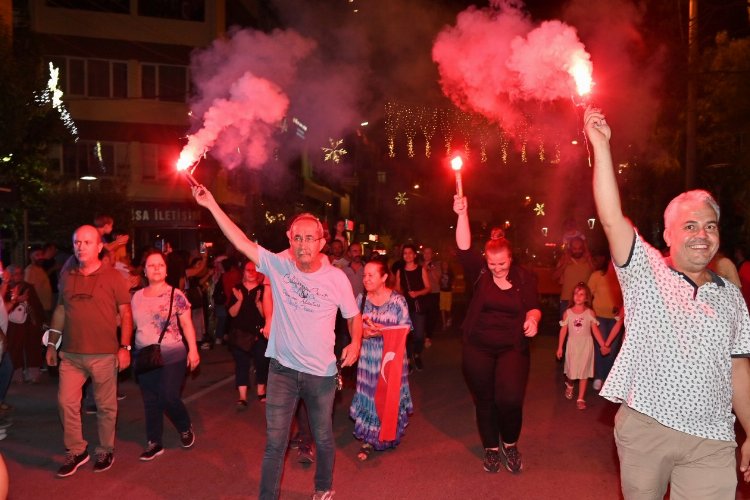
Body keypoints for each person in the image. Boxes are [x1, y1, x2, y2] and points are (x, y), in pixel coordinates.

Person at [585, 107, 750, 497]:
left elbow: (739, 370)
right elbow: (611, 219)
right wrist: (603, 147)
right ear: (669, 234)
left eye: (710, 226)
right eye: (690, 225)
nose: (702, 234)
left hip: (712, 439)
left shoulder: (731, 297)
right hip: (647, 428)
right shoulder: (646, 272)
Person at [191, 186, 362, 500]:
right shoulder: (279, 266)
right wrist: (211, 203)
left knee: (322, 437)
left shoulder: (337, 279)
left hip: (320, 375)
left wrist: (357, 343)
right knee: (275, 443)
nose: (302, 244)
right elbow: (240, 241)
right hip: (282, 370)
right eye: (297, 237)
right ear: (289, 238)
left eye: (310, 237)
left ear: (322, 242)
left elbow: (353, 316)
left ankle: (323, 487)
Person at [453, 195, 542, 475]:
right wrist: (462, 214)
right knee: (485, 400)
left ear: (510, 258)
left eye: (501, 264)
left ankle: (511, 444)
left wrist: (533, 318)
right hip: (478, 346)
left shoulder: (524, 277)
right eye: (492, 264)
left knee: (510, 399)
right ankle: (492, 449)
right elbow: (464, 248)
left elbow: (534, 307)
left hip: (512, 347)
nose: (497, 268)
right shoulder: (480, 273)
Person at [45, 225, 133, 477]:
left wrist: (125, 347)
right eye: (76, 242)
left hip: (104, 354)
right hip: (71, 355)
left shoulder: (114, 277)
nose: (80, 246)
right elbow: (61, 311)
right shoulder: (67, 277)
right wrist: (52, 343)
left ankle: (105, 449)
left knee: (106, 406)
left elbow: (126, 314)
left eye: (86, 242)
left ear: (99, 246)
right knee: (65, 402)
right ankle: (76, 450)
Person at [131, 250, 200, 460]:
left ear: (166, 270)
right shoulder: (136, 297)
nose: (156, 269)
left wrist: (194, 351)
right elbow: (132, 325)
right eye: (151, 265)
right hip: (145, 356)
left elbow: (187, 324)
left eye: (160, 265)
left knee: (168, 396)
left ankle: (184, 427)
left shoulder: (176, 294)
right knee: (151, 401)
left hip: (173, 354)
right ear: (144, 270)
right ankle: (154, 442)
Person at [349, 259, 413, 461]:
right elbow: (352, 325)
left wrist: (382, 332)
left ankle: (388, 434)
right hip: (368, 360)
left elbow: (406, 328)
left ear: (384, 277)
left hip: (391, 359)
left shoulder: (397, 301)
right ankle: (368, 440)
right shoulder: (361, 299)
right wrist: (363, 333)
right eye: (364, 275)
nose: (366, 279)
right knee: (370, 396)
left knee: (389, 395)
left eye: (371, 275)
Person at [556, 283, 609, 410]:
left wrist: (603, 345)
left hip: (586, 345)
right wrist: (560, 347)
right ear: (572, 296)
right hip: (573, 345)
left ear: (586, 298)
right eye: (576, 294)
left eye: (581, 294)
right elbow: (563, 330)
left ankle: (581, 398)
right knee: (571, 372)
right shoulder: (568, 313)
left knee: (584, 372)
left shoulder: (590, 313)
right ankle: (570, 385)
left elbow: (595, 330)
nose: (578, 297)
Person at [227, 260, 270, 408]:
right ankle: (242, 396)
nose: (251, 272)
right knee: (241, 364)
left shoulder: (264, 290)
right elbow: (232, 314)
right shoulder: (237, 289)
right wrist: (239, 301)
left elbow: (267, 316)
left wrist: (259, 304)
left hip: (259, 335)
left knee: (261, 362)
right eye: (248, 270)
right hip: (240, 335)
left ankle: (261, 390)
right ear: (243, 272)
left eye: (254, 269)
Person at [587, 255, 625, 390]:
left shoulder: (623, 277)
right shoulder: (597, 276)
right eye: (613, 262)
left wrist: (621, 309)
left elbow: (626, 297)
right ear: (608, 262)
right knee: (600, 347)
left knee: (612, 349)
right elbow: (588, 295)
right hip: (599, 317)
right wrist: (590, 311)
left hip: (615, 319)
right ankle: (598, 376)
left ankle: (608, 379)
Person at [4, 265, 44, 383]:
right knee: (14, 348)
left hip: (29, 323)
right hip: (13, 325)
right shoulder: (5, 288)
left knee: (32, 347)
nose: (19, 276)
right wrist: (17, 301)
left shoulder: (28, 287)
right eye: (16, 273)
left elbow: (37, 306)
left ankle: (33, 374)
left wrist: (40, 320)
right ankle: (17, 376)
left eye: (21, 273)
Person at [395, 244, 430, 371]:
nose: (408, 255)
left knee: (419, 335)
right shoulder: (400, 271)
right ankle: (408, 359)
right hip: (405, 308)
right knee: (407, 335)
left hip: (419, 306)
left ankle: (417, 354)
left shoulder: (421, 269)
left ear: (415, 255)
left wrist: (417, 293)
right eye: (405, 253)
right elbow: (397, 288)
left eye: (410, 252)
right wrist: (399, 294)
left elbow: (428, 288)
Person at [553, 236, 594, 318]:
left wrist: (589, 260)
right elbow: (554, 277)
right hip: (567, 300)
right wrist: (565, 264)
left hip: (585, 300)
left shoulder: (589, 260)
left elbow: (598, 274)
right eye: (574, 248)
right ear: (570, 249)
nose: (577, 251)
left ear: (583, 248)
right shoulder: (564, 259)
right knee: (566, 328)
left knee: (584, 329)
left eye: (580, 248)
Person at [422, 246, 442, 346]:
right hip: (422, 293)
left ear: (432, 254)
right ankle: (423, 334)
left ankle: (428, 337)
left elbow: (438, 280)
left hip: (434, 293)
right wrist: (424, 269)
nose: (427, 254)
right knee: (423, 315)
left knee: (432, 316)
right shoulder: (419, 265)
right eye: (425, 252)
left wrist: (432, 269)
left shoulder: (437, 264)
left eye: (429, 253)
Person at [439, 260, 454, 329]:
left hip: (448, 292)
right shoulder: (440, 272)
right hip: (442, 292)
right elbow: (438, 280)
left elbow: (453, 282)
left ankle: (449, 318)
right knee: (442, 308)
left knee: (448, 309)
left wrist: (453, 288)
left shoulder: (450, 273)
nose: (445, 266)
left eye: (446, 264)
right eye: (443, 264)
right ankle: (444, 323)